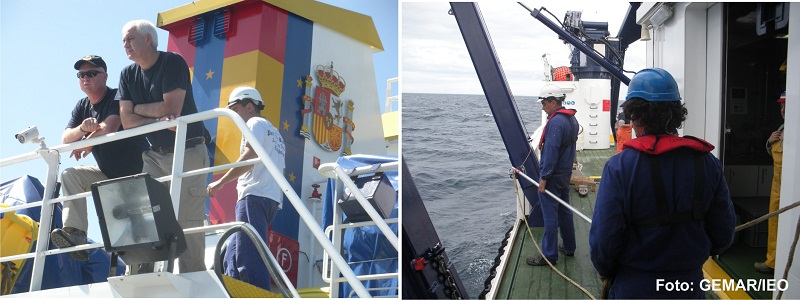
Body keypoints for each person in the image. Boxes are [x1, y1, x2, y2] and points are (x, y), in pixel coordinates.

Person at [589, 68, 736, 298]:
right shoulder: (707, 163)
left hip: (635, 286)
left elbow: (604, 243)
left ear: (634, 116)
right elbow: (724, 234)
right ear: (676, 113)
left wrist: (605, 270)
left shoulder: (619, 168)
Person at [116, 20, 210, 273]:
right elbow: (126, 122)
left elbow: (172, 109)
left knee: (186, 219)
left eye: (130, 38)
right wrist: (157, 118)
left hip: (188, 149)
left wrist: (138, 109)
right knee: (143, 215)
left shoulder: (172, 62)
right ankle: (139, 274)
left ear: (148, 39)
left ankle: (194, 278)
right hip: (154, 156)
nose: (125, 44)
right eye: (124, 39)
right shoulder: (127, 74)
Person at [50, 55, 149, 261]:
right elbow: (65, 137)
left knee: (142, 241)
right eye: (81, 74)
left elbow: (110, 126)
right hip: (109, 175)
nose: (85, 78)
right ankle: (76, 234)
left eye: (92, 73)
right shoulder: (81, 106)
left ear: (105, 76)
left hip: (138, 174)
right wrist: (83, 129)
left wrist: (86, 141)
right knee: (70, 175)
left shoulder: (117, 96)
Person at [207, 86, 286, 290]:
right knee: (236, 247)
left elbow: (249, 157)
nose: (234, 115)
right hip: (270, 198)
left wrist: (220, 182)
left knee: (249, 252)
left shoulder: (253, 123)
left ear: (249, 106)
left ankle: (257, 291)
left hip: (254, 195)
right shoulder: (274, 131)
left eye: (235, 109)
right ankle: (229, 285)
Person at [526, 84, 579, 266]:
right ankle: (569, 247)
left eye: (544, 103)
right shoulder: (572, 120)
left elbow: (551, 151)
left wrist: (544, 177)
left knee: (550, 216)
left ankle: (549, 255)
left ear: (554, 102)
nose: (542, 106)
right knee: (565, 211)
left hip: (553, 176)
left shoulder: (556, 122)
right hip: (564, 174)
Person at [755, 91, 786, 274]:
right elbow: (775, 154)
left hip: (792, 188)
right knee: (774, 221)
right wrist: (770, 142)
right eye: (781, 106)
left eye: (785, 106)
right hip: (777, 185)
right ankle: (772, 262)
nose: (782, 110)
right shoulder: (782, 127)